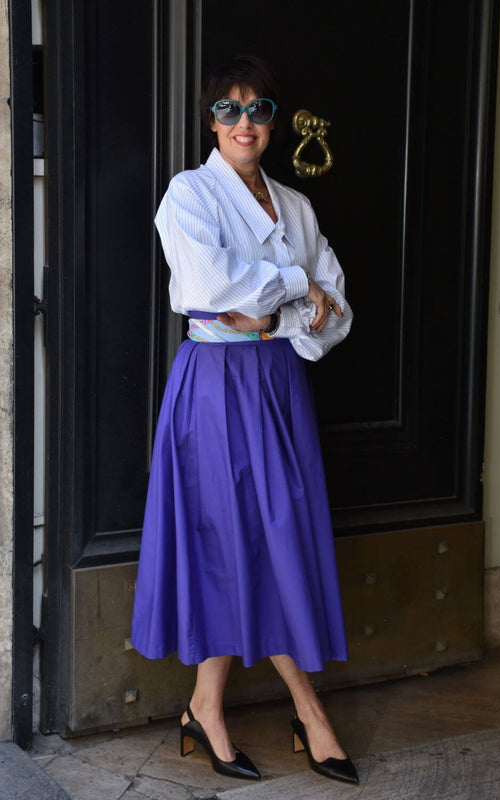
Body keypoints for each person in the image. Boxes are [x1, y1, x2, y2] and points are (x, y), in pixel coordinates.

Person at [130, 54, 358, 785]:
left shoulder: (295, 205)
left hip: (279, 384)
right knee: (230, 539)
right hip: (215, 384)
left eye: (258, 109)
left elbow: (334, 309)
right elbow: (208, 286)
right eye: (228, 110)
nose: (244, 123)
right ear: (211, 121)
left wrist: (280, 308)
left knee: (273, 536)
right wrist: (295, 285)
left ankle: (208, 706)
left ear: (273, 120)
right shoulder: (189, 194)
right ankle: (305, 711)